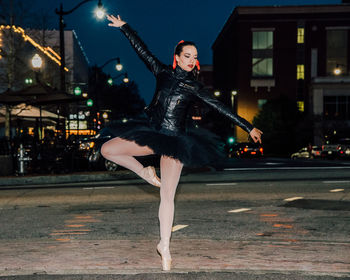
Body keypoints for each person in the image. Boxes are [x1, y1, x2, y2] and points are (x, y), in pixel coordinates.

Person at [102, 14, 263, 271]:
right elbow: (142, 51)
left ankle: (164, 246)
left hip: (175, 141)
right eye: (187, 55)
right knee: (107, 149)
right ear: (177, 56)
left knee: (167, 196)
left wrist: (248, 125)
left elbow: (220, 107)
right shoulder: (161, 71)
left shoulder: (194, 87)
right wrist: (125, 28)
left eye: (194, 56)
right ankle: (144, 171)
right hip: (153, 134)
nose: (191, 60)